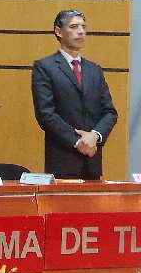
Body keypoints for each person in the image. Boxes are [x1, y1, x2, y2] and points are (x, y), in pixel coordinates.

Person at [31, 10, 117, 180]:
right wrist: (78, 142)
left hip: (92, 160)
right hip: (62, 160)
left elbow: (110, 112)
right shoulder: (44, 67)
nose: (81, 31)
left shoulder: (94, 70)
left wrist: (94, 136)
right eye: (74, 26)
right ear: (58, 31)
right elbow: (45, 114)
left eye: (83, 27)